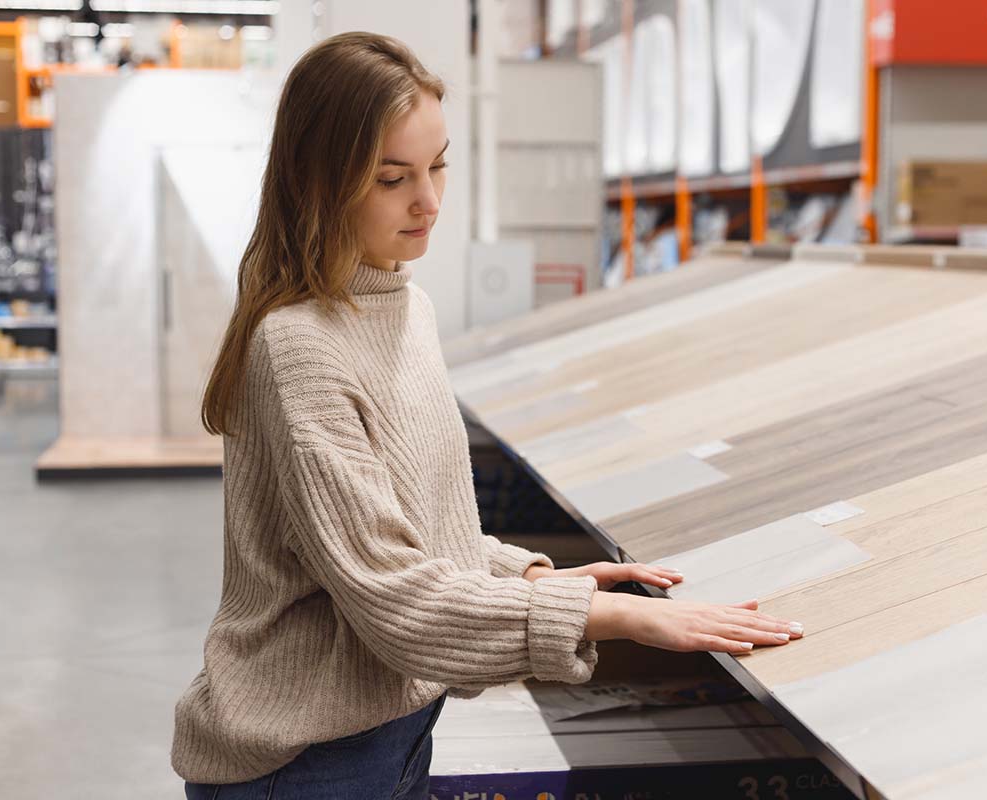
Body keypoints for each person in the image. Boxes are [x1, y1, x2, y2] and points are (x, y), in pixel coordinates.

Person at [172, 31, 803, 800]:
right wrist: (612, 619)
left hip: (393, 733)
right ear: (319, 183)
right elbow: (395, 598)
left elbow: (423, 527)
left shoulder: (407, 306)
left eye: (438, 166)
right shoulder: (298, 345)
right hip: (308, 761)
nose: (428, 201)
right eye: (391, 178)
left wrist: (538, 575)